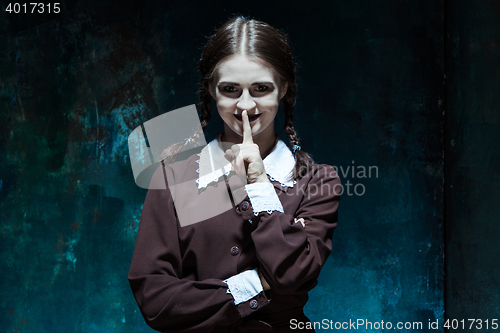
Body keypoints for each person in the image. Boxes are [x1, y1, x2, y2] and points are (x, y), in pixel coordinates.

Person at [128, 15, 341, 333]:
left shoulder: (318, 181)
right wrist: (256, 284)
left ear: (283, 88)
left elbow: (293, 275)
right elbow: (155, 301)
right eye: (230, 89)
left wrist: (259, 183)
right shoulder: (172, 178)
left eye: (261, 88)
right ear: (212, 90)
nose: (245, 105)